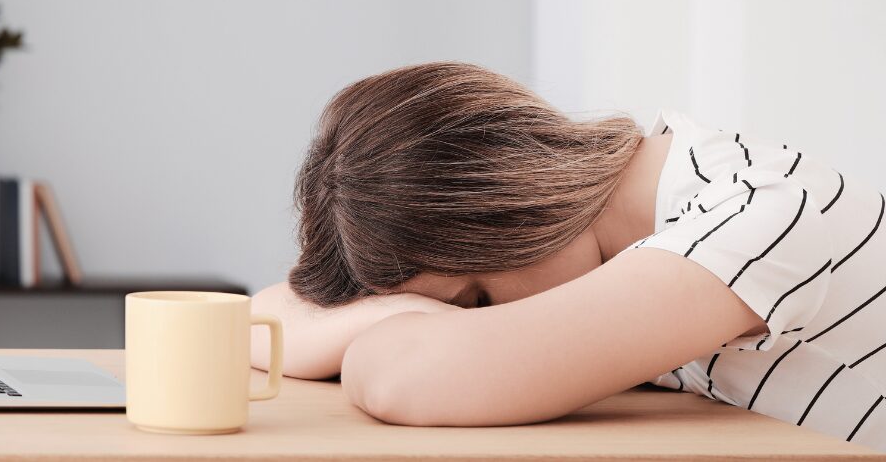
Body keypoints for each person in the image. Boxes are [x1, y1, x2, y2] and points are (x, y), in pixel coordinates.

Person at [251, 62, 886, 450]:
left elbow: (396, 378)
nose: (470, 321)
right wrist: (388, 313)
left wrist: (406, 334)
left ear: (511, 215)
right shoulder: (649, 216)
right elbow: (268, 315)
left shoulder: (756, 219)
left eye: (476, 301)